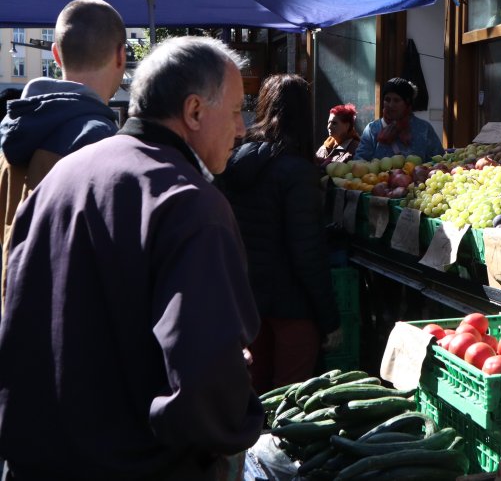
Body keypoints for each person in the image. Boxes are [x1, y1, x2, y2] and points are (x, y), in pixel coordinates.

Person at [0, 36, 263, 480]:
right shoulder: (189, 202)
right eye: (238, 110)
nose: (242, 129)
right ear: (195, 111)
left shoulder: (65, 174)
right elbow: (204, 386)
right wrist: (237, 407)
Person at [217, 74, 343, 394]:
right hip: (292, 305)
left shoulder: (236, 162)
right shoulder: (297, 171)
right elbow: (308, 252)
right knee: (289, 398)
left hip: (250, 300)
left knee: (254, 391)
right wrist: (329, 320)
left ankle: (251, 445)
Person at [0, 0, 127, 311]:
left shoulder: (10, 132)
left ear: (56, 55)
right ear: (121, 56)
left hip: (13, 316)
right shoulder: (99, 141)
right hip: (64, 326)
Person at [354, 77, 444, 161]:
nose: (391, 105)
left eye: (396, 100)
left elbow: (439, 160)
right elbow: (359, 161)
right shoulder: (372, 129)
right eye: (387, 99)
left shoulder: (424, 129)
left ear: (407, 103)